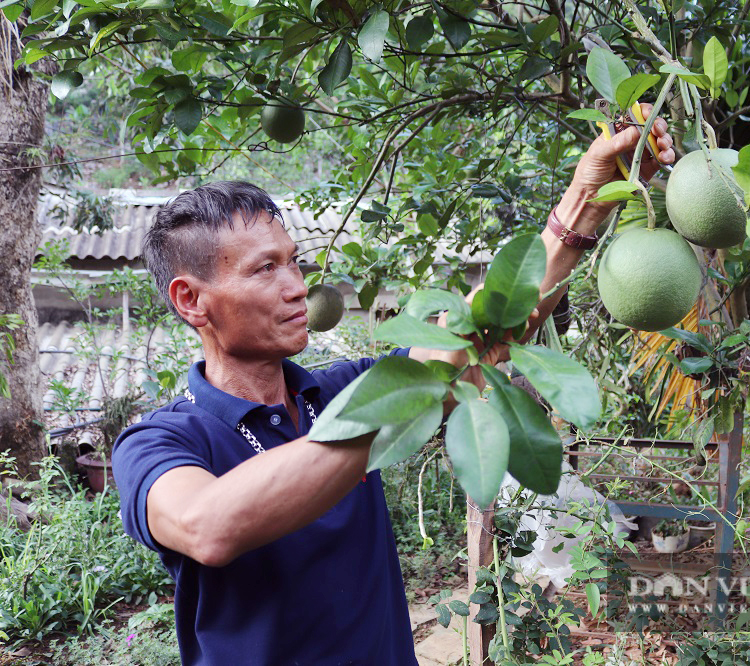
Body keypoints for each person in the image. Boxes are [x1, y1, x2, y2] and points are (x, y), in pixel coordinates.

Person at [112, 108, 675, 665]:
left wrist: (589, 195)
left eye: (295, 263)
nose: (296, 287)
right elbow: (208, 525)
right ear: (191, 300)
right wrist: (399, 403)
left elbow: (484, 327)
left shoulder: (340, 391)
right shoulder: (158, 442)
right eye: (265, 270)